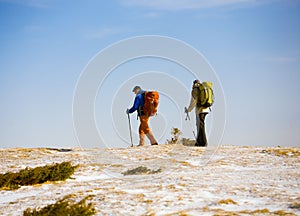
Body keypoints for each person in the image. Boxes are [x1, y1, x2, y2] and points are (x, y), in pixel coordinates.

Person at [185, 80, 210, 147]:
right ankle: (199, 142)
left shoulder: (195, 90)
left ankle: (203, 142)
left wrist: (188, 110)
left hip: (200, 110)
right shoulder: (203, 89)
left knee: (201, 126)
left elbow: (193, 102)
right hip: (206, 109)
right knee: (200, 125)